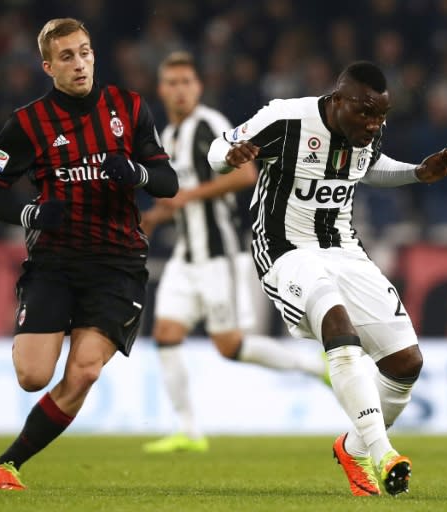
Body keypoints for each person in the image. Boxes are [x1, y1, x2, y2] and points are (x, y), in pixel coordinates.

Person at [208, 61, 447, 496]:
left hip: (344, 249)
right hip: (286, 251)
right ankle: (383, 453)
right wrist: (231, 159)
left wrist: (418, 172)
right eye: (364, 114)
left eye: (381, 116)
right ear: (338, 100)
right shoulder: (285, 120)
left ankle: (353, 446)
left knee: (406, 363)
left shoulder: (366, 129)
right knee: (336, 324)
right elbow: (218, 149)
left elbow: (368, 167)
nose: (373, 123)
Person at [0, 18, 178, 490]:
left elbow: (168, 182)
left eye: (84, 52)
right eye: (67, 56)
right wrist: (30, 214)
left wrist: (137, 175)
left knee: (83, 371)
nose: (80, 63)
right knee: (32, 376)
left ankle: (6, 465)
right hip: (55, 262)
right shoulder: (27, 123)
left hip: (117, 264)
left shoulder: (129, 108)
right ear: (48, 66)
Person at [141, 51, 329, 453]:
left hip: (218, 254)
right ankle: (189, 431)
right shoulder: (169, 137)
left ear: (198, 87)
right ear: (162, 89)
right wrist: (157, 217)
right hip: (184, 256)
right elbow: (181, 199)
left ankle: (315, 366)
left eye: (186, 82)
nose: (179, 90)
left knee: (229, 346)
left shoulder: (210, 124)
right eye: (171, 83)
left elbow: (247, 173)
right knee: (166, 334)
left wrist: (187, 195)